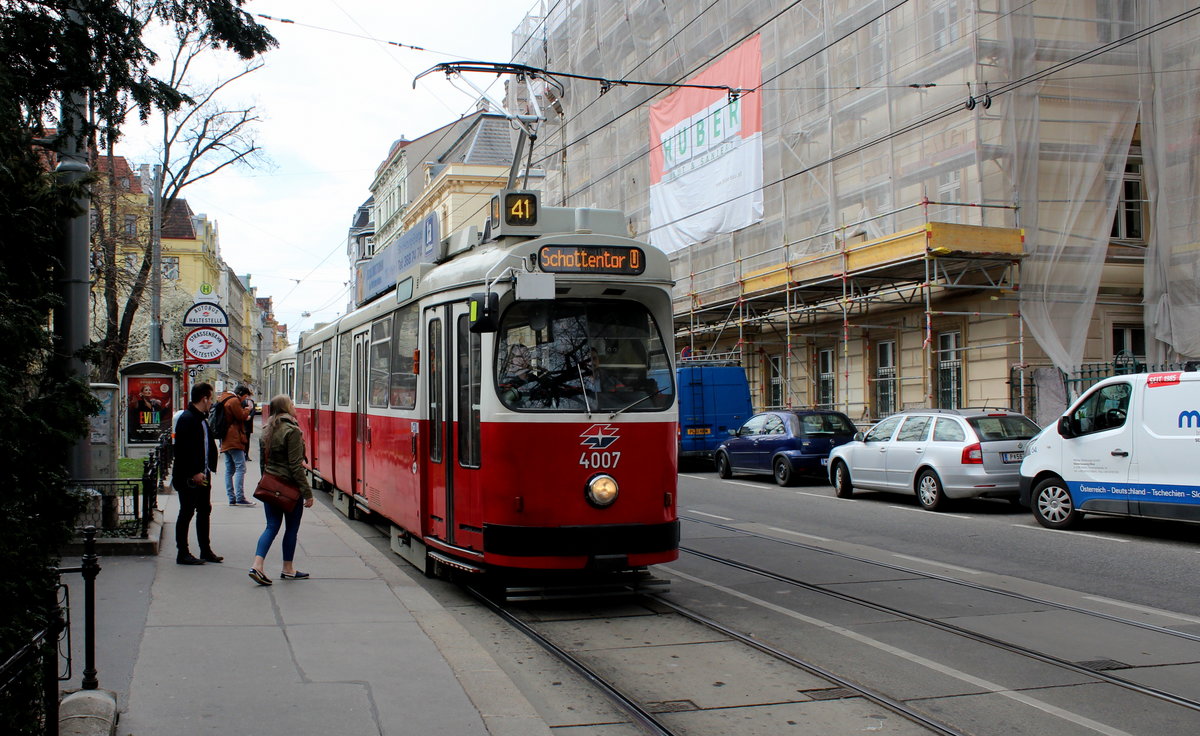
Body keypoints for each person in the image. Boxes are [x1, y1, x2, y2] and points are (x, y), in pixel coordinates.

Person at [248, 394, 315, 586]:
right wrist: (307, 493)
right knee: (291, 529)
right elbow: (295, 466)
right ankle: (288, 569)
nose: (294, 406)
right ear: (285, 408)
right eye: (291, 404)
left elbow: (263, 462)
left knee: (271, 526)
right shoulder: (292, 430)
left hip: (270, 485)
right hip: (289, 489)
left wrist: (266, 481)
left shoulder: (267, 429)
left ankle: (257, 564)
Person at [171, 382, 222, 565]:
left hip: (203, 475)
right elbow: (182, 450)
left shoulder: (200, 418)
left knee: (204, 510)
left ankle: (205, 551)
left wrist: (206, 471)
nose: (212, 402)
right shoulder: (187, 419)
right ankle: (182, 553)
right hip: (190, 477)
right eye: (210, 399)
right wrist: (194, 472)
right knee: (186, 512)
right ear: (204, 398)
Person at [215, 385, 255, 507]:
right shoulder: (233, 400)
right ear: (241, 394)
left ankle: (231, 497)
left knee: (229, 470)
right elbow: (241, 416)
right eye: (245, 397)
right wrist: (248, 409)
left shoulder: (224, 398)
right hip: (234, 438)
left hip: (226, 439)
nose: (244, 400)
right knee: (240, 468)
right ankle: (239, 497)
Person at [242, 392, 257, 462]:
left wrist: (250, 416)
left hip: (249, 423)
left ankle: (246, 455)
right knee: (242, 439)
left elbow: (254, 410)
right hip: (243, 422)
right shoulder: (241, 401)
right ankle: (242, 454)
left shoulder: (252, 402)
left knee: (247, 439)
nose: (248, 396)